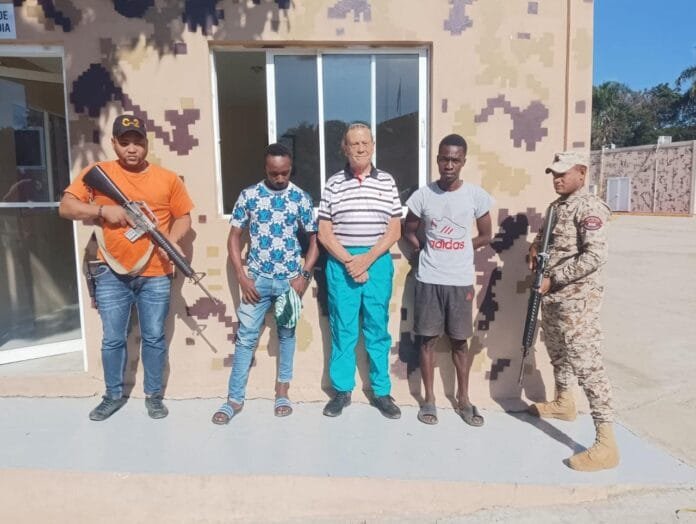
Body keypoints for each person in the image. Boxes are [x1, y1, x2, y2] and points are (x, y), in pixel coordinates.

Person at [59, 114, 194, 421]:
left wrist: (172, 240)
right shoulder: (98, 173)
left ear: (147, 143)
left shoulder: (168, 178)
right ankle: (112, 396)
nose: (132, 149)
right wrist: (103, 210)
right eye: (124, 142)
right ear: (114, 144)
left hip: (156, 272)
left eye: (138, 142)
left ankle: (154, 396)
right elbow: (66, 207)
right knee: (112, 339)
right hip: (111, 272)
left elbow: (183, 216)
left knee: (154, 337)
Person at [211, 143, 318, 424]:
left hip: (289, 282)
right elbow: (234, 238)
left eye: (285, 173)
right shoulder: (249, 196)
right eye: (274, 173)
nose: (280, 178)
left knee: (287, 336)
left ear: (291, 169)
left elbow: (314, 242)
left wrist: (304, 276)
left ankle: (282, 393)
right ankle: (234, 399)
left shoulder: (301, 198)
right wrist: (242, 277)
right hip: (257, 281)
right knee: (246, 338)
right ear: (265, 169)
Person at [527, 151, 619, 471]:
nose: (557, 179)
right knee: (558, 352)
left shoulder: (589, 208)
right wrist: (534, 249)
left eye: (563, 173)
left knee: (587, 364)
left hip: (578, 302)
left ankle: (606, 442)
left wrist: (554, 278)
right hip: (554, 299)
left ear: (581, 173)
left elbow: (594, 256)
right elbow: (544, 240)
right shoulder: (556, 207)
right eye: (554, 173)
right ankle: (564, 402)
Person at [404, 134, 493, 426]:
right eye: (444, 159)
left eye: (455, 160)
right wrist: (424, 249)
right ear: (438, 160)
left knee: (459, 342)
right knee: (427, 341)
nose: (449, 165)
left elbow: (486, 235)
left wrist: (464, 247)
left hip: (460, 281)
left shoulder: (476, 196)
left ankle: (463, 399)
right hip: (429, 279)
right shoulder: (423, 196)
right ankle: (429, 400)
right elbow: (409, 230)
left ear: (463, 161)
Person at [318, 122, 402, 419]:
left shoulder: (387, 181)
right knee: (343, 328)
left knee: (377, 328)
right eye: (354, 143)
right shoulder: (333, 184)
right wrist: (350, 261)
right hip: (341, 263)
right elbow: (324, 233)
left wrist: (366, 259)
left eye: (365, 142)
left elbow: (394, 230)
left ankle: (381, 391)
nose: (361, 148)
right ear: (345, 148)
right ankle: (342, 391)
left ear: (373, 145)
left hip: (377, 261)